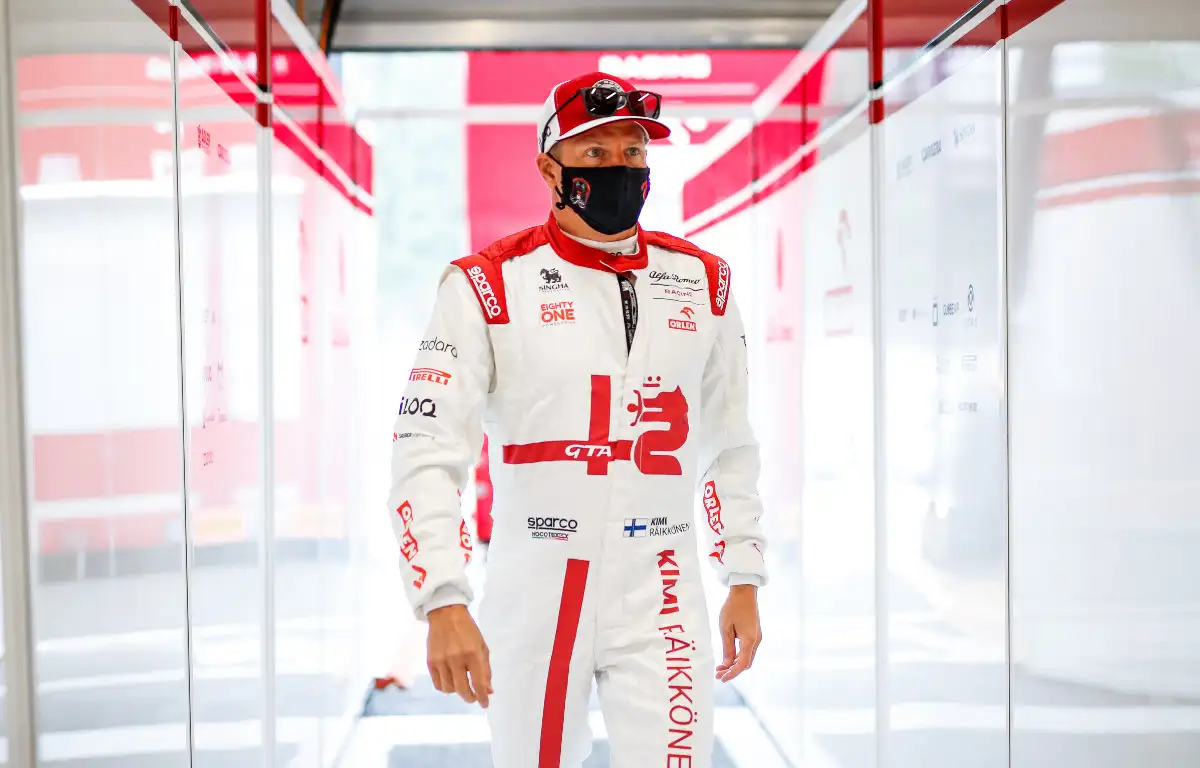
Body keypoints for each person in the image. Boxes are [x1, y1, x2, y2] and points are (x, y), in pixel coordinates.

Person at [388, 70, 767, 768]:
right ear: (549, 167)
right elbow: (428, 447)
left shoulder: (706, 282)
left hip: (662, 584)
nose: (618, 168)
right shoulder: (486, 284)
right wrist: (442, 597)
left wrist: (742, 574)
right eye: (594, 154)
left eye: (632, 153)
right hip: (537, 587)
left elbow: (729, 444)